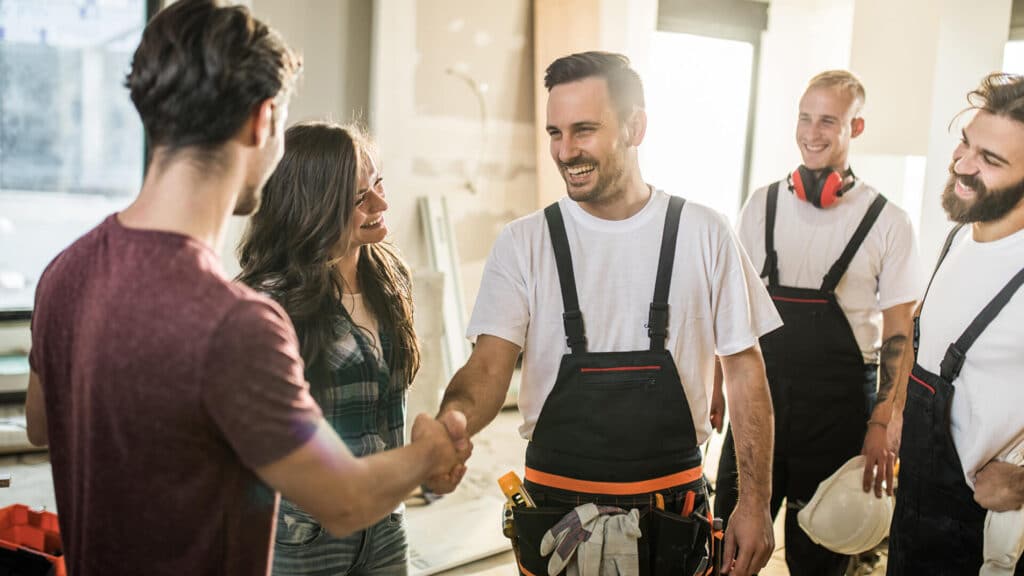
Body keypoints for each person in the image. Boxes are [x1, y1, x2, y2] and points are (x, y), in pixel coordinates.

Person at [23, 2, 465, 574]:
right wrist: (429, 450)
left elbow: (41, 426)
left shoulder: (64, 273)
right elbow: (344, 499)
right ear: (263, 122)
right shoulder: (237, 322)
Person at [435, 51, 781, 576]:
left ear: (635, 126)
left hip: (675, 518)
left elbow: (745, 371)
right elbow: (487, 367)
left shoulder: (705, 233)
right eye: (555, 132)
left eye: (584, 130)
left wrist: (753, 502)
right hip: (555, 521)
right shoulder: (524, 243)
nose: (565, 150)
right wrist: (450, 423)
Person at [712, 70, 922, 575]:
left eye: (829, 120)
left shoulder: (887, 221)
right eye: (805, 118)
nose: (812, 132)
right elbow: (731, 305)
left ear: (857, 127)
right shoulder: (760, 204)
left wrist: (883, 423)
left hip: (838, 416)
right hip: (759, 405)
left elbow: (899, 333)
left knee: (820, 557)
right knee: (724, 547)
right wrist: (716, 384)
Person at [237, 122, 438, 575]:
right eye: (358, 199)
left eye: (378, 183)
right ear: (312, 207)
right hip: (302, 536)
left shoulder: (390, 278)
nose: (382, 204)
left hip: (386, 523)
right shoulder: (265, 303)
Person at [885, 72, 1024, 575]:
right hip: (915, 516)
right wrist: (896, 411)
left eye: (990, 161)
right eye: (966, 144)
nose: (962, 165)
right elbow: (924, 336)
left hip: (977, 539)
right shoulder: (959, 237)